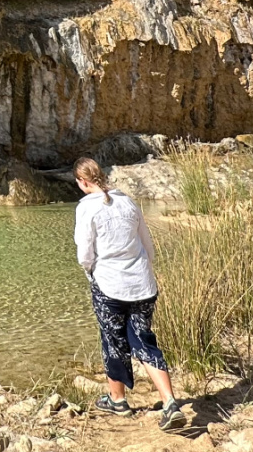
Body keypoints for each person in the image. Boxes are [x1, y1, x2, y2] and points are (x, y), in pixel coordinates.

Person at [72, 157, 185, 430]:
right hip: (143, 285)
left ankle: (118, 401)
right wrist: (141, 269)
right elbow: (148, 245)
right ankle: (169, 401)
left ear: (83, 182)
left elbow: (84, 253)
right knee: (144, 341)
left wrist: (92, 273)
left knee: (113, 340)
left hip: (109, 285)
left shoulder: (87, 208)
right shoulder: (128, 202)